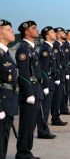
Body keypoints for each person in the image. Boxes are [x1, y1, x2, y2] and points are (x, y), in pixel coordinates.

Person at [15, 20, 43, 159]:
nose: (36, 30)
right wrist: (29, 93)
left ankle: (27, 152)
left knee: (31, 125)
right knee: (26, 125)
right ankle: (22, 153)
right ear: (27, 32)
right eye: (34, 28)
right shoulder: (23, 49)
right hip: (30, 93)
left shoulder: (31, 48)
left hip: (36, 90)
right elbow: (24, 74)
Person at [0, 20, 18, 159]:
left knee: (4, 139)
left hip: (9, 101)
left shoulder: (5, 53)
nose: (12, 31)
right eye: (8, 29)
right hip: (2, 103)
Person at [36, 26, 57, 139]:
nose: (55, 33)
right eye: (52, 32)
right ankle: (42, 131)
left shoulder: (49, 48)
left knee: (47, 108)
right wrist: (45, 85)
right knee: (44, 109)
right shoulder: (45, 49)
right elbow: (43, 69)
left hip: (51, 81)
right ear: (47, 36)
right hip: (47, 82)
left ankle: (45, 130)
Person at [51, 27, 68, 125]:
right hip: (58, 76)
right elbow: (56, 64)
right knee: (56, 98)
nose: (64, 33)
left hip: (61, 75)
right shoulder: (56, 46)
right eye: (62, 32)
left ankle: (57, 116)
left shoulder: (60, 46)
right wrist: (57, 77)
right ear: (57, 35)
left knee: (59, 97)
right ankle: (55, 118)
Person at [60, 29, 70, 114]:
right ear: (66, 36)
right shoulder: (66, 45)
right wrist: (67, 73)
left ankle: (65, 108)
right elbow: (64, 61)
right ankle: (64, 108)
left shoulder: (69, 45)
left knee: (67, 90)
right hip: (67, 71)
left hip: (69, 70)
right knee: (65, 91)